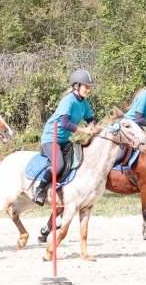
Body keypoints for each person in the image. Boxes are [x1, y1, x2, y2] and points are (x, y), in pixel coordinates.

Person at [32, 69, 98, 205]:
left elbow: (90, 119)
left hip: (64, 140)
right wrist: (84, 131)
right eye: (86, 87)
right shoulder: (68, 101)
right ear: (76, 86)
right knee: (59, 164)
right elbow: (65, 123)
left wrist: (94, 129)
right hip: (51, 138)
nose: (89, 90)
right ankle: (39, 190)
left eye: (89, 87)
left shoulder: (83, 102)